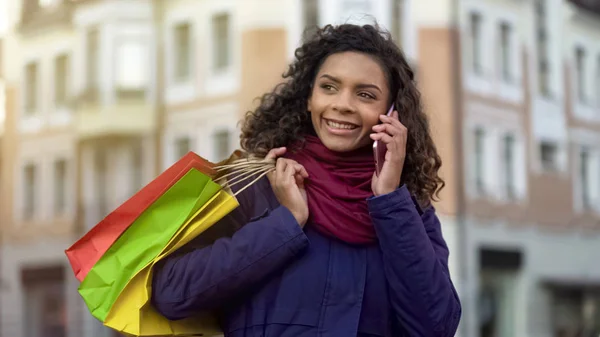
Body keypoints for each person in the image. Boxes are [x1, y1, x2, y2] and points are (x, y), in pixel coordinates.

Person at [151, 23, 461, 337]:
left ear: (392, 114)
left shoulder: (408, 211)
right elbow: (171, 293)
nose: (342, 104)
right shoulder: (254, 185)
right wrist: (285, 224)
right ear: (307, 98)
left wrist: (389, 201)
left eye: (365, 94)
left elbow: (436, 328)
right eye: (328, 87)